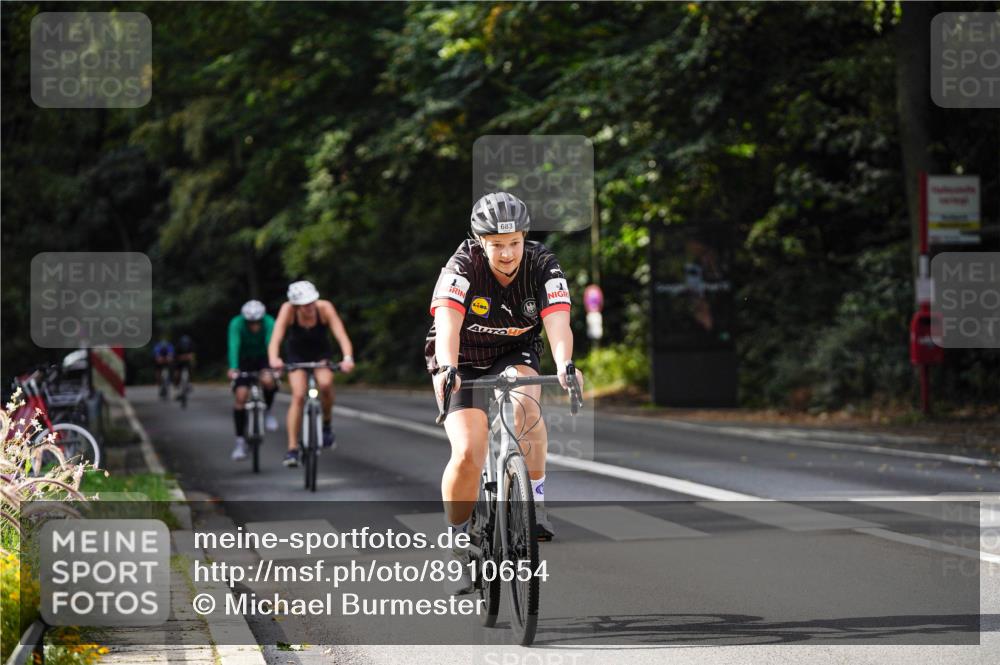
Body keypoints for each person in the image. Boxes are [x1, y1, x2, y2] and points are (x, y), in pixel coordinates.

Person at [426, 191, 584, 595]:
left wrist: (566, 364)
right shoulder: (462, 265)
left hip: (515, 351)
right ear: (481, 242)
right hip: (459, 358)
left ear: (524, 237)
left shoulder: (542, 264)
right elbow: (447, 325)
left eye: (514, 242)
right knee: (468, 449)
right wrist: (447, 368)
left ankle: (534, 499)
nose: (508, 253)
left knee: (526, 407)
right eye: (497, 245)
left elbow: (558, 322)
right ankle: (458, 542)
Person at [268, 280, 355, 467]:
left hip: (321, 354)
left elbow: (341, 335)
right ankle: (292, 449)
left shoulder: (324, 308)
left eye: (311, 302)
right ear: (296, 306)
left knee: (325, 385)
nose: (309, 307)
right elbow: (276, 337)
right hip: (296, 355)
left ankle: (326, 425)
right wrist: (274, 359)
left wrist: (347, 358)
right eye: (304, 305)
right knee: (298, 395)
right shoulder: (288, 310)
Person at [227, 300, 279, 461]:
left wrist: (273, 364)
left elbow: (271, 341)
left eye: (257, 322)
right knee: (241, 396)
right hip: (244, 359)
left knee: (269, 381)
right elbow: (233, 344)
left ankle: (268, 411)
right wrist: (234, 367)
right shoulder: (236, 323)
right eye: (251, 323)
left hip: (264, 357)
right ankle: (240, 441)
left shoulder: (269, 322)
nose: (254, 326)